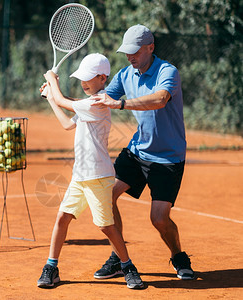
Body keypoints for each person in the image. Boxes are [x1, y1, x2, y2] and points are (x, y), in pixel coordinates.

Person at [90, 25, 195, 280]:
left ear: (150, 48)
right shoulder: (127, 74)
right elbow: (99, 99)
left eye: (135, 51)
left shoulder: (167, 71)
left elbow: (159, 99)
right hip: (137, 152)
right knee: (106, 196)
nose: (130, 56)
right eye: (127, 52)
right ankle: (119, 257)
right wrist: (56, 95)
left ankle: (178, 256)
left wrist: (122, 103)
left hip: (167, 157)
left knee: (159, 219)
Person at [37, 53, 144, 289]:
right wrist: (50, 98)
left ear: (103, 78)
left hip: (98, 177)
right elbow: (67, 124)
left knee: (106, 226)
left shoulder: (99, 101)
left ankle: (127, 267)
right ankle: (51, 267)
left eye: (88, 78)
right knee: (62, 218)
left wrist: (52, 80)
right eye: (81, 78)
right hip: (80, 176)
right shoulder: (88, 104)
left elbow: (65, 101)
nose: (83, 82)